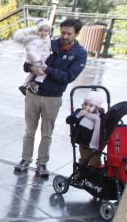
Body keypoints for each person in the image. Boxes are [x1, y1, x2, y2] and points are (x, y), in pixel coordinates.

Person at [14, 18, 87, 178]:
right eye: (62, 32)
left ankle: (42, 163)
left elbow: (69, 76)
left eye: (69, 33)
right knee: (29, 131)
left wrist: (47, 69)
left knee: (47, 133)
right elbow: (27, 63)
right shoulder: (48, 42)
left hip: (53, 97)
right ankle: (25, 160)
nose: (65, 36)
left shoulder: (80, 53)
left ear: (76, 34)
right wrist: (32, 67)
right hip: (33, 93)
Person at [65, 91, 104, 167]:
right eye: (85, 104)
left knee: (94, 162)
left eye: (91, 105)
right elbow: (68, 120)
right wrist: (78, 115)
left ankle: (93, 174)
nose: (87, 107)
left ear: (97, 107)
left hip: (95, 145)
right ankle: (81, 172)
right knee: (83, 159)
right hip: (83, 143)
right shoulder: (80, 112)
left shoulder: (100, 117)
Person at [19, 20, 52, 95]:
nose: (43, 32)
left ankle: (23, 85)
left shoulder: (48, 40)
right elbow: (30, 51)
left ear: (49, 32)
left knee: (32, 74)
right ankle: (35, 84)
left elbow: (48, 49)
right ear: (37, 31)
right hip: (36, 61)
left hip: (41, 60)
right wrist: (37, 60)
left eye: (46, 31)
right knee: (44, 71)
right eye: (40, 30)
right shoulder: (34, 40)